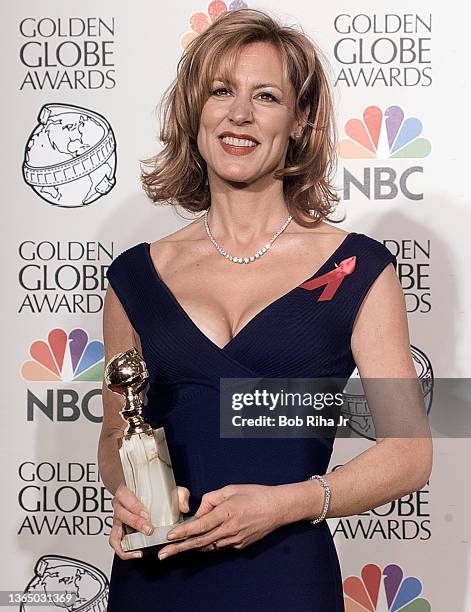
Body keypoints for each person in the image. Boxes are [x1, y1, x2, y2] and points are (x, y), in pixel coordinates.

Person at [99, 8, 432, 611]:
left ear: (300, 120)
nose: (240, 115)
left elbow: (409, 452)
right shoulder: (134, 278)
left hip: (285, 580)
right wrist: (124, 489)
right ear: (194, 112)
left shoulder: (357, 268)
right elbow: (116, 431)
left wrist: (287, 504)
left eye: (267, 96)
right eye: (221, 91)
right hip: (155, 578)